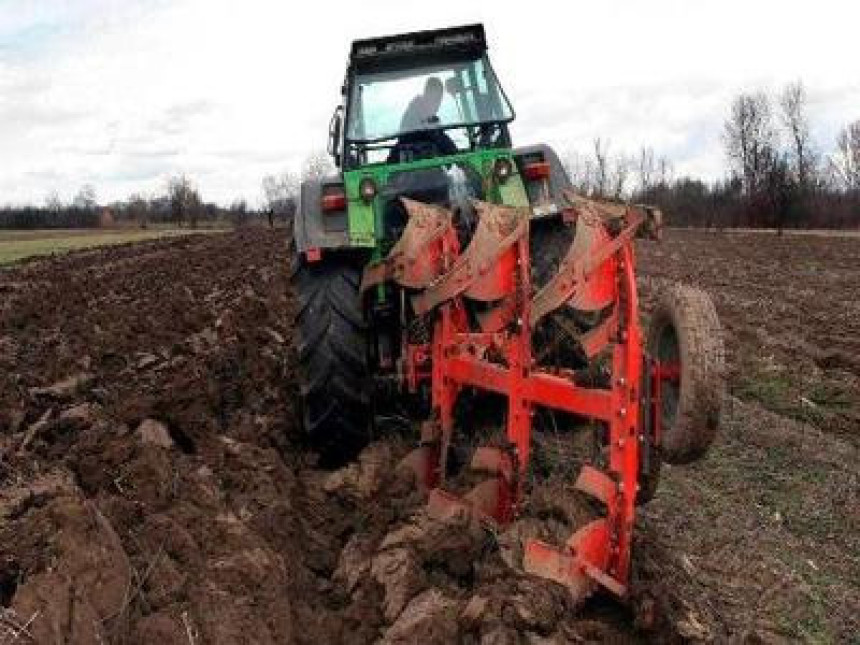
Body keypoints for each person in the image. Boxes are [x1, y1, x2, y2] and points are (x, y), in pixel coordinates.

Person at [388, 76, 457, 162]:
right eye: (435, 98)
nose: (438, 103)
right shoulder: (418, 118)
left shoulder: (430, 120)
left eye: (439, 99)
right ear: (426, 95)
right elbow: (443, 143)